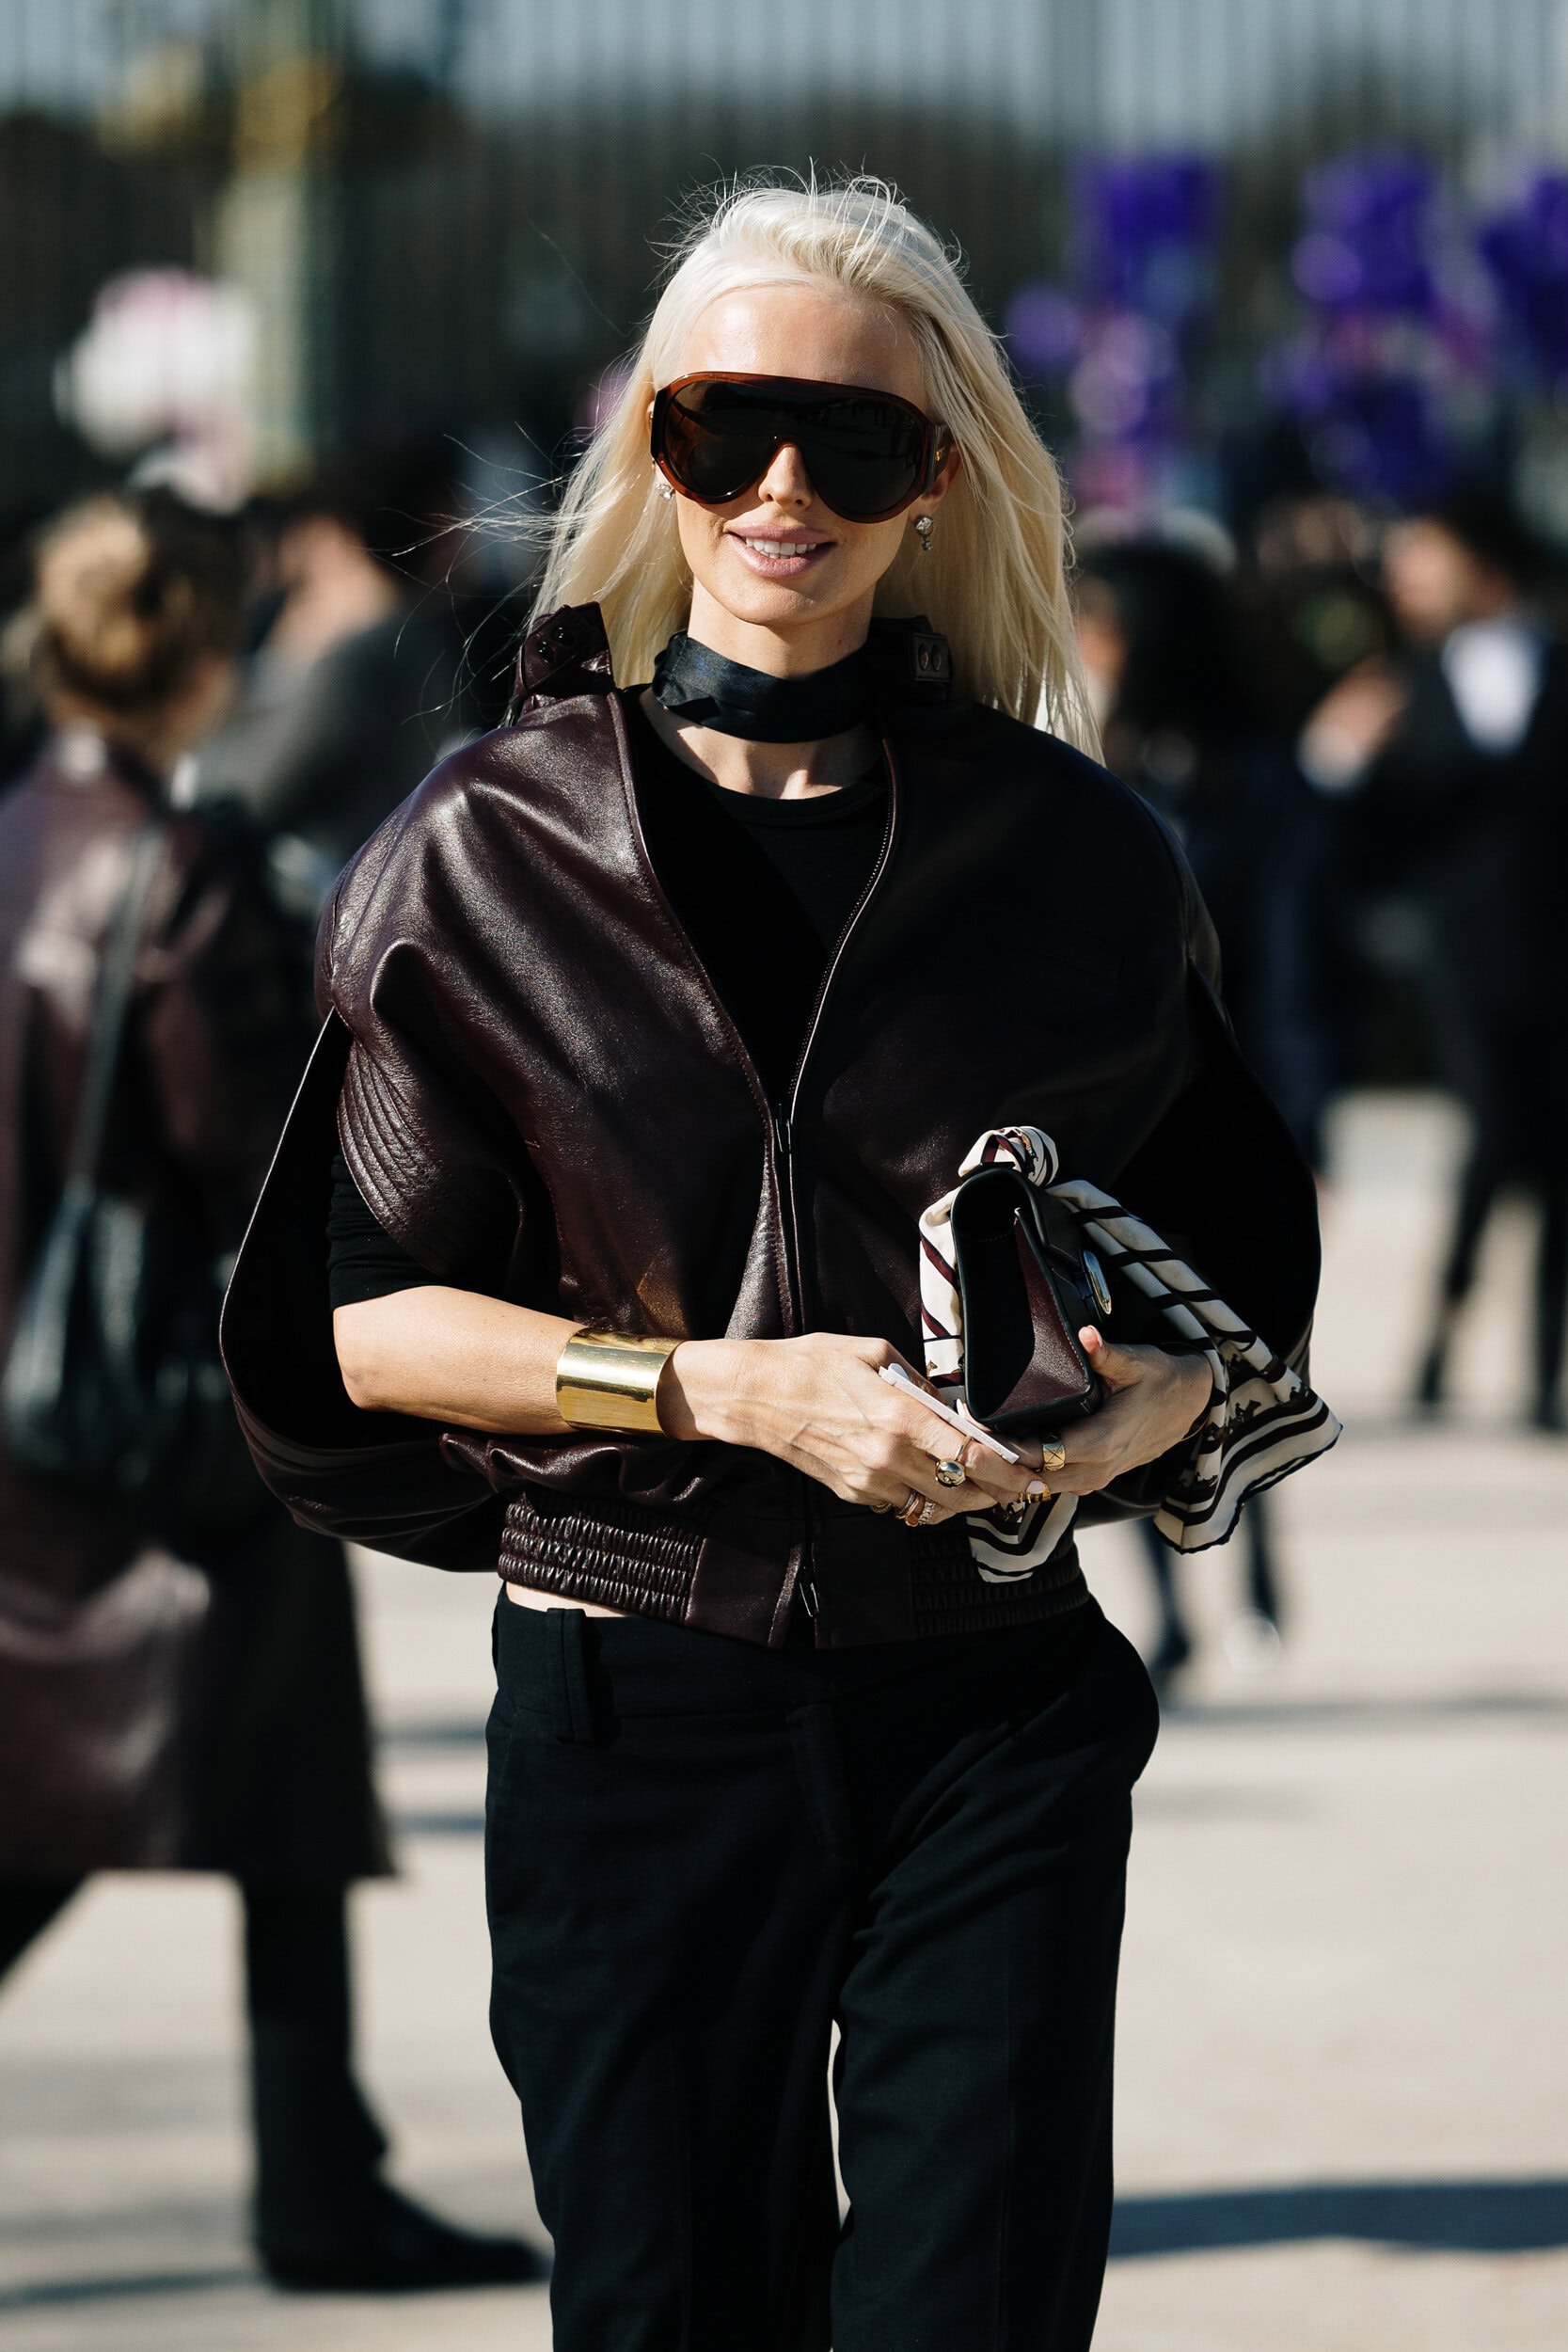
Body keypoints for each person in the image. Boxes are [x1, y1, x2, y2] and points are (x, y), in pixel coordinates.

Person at [223, 179, 1324, 2349]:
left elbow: (1232, 1295)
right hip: (636, 1688)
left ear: (940, 480)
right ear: (653, 449)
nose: (784, 490)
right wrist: (720, 1387)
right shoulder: (486, 845)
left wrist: (1133, 1416)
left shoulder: (1072, 854)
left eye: (855, 439)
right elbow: (365, 1324)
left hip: (992, 1692)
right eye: (726, 428)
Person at [0, 490, 540, 2292]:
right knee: (248, 1792)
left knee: (150, 1799)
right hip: (171, 1410)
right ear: (206, 646)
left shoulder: (17, 833)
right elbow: (258, 1154)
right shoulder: (185, 869)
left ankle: (323, 2169)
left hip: (36, 1402)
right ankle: (317, 2187)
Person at [1076, 538, 1338, 1677]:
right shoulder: (1073, 760)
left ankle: (1260, 1567)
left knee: (1240, 1349)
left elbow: (1293, 962)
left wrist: (1300, 1123)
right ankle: (1170, 1608)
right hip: (1106, 1126)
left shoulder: (1256, 777)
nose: (1083, 642)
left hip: (1226, 1113)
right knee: (1116, 1355)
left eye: (1100, 622)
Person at [1300, 493, 1568, 1429]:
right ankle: (1446, 1332)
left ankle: (1535, 1370)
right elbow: (1345, 837)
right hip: (1459, 964)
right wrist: (1332, 759)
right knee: (1497, 1133)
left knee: (1549, 1155)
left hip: (1554, 956)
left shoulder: (1553, 665)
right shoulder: (1399, 682)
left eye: (1425, 555)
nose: (1404, 576)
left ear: (1480, 562)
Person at [196, 453, 481, 914]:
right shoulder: (429, 639)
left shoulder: (357, 663)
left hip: (339, 910)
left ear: (339, 540)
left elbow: (243, 793)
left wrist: (291, 653)